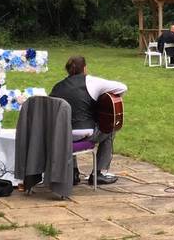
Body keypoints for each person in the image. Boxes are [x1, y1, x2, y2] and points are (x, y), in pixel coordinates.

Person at [49, 56, 127, 185]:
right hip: (84, 133)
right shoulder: (92, 82)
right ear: (85, 68)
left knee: (69, 129)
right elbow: (122, 87)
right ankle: (99, 173)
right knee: (110, 129)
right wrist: (102, 96)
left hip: (60, 135)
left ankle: (73, 172)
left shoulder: (57, 86)